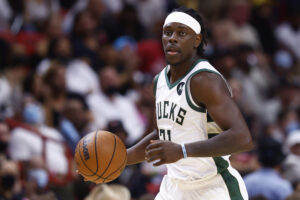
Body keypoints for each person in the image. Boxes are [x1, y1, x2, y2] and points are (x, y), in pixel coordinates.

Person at [126, 7, 253, 200]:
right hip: (174, 188)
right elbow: (161, 134)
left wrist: (182, 151)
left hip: (212, 188)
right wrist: (121, 159)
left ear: (197, 40)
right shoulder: (159, 81)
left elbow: (242, 138)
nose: (172, 38)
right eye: (168, 33)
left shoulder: (204, 79)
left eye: (181, 33)